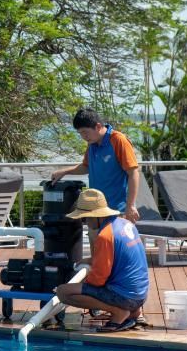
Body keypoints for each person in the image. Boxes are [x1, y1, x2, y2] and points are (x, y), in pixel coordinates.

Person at [56, 189, 149, 333]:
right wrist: (90, 260)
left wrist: (82, 285)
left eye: (85, 218)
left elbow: (98, 279)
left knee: (63, 292)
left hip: (126, 298)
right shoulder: (125, 224)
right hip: (140, 295)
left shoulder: (105, 236)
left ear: (96, 216)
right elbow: (119, 257)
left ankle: (119, 312)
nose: (85, 222)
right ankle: (134, 313)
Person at [51, 108, 141, 223]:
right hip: (94, 210)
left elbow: (133, 173)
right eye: (80, 133)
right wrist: (64, 171)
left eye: (85, 132)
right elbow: (86, 167)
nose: (83, 136)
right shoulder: (92, 143)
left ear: (98, 126)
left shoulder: (118, 140)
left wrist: (131, 206)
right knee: (93, 234)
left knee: (113, 235)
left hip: (117, 210)